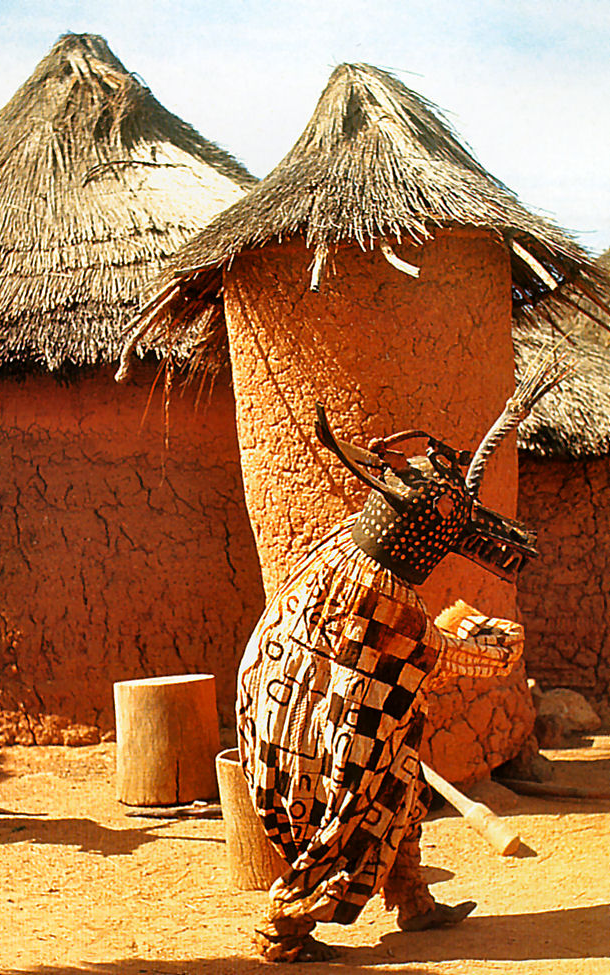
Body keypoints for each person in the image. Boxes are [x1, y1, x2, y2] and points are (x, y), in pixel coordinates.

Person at [237, 356, 564, 962]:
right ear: (420, 532)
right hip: (332, 732)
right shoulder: (384, 597)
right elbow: (438, 654)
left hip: (318, 706)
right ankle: (283, 926)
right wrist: (495, 642)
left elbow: (403, 648)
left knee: (402, 786)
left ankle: (413, 900)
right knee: (361, 809)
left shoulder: (338, 551)